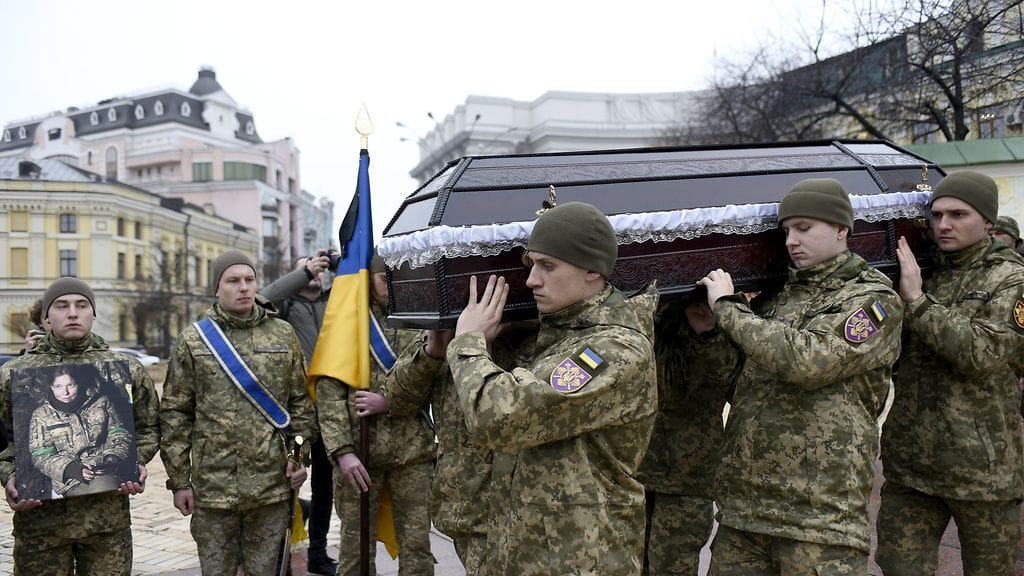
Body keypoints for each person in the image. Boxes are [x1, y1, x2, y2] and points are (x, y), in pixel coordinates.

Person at [696, 178, 903, 574]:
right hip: (745, 509)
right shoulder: (776, 297)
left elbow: (810, 361)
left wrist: (729, 309)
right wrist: (706, 331)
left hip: (819, 517)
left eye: (804, 228)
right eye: (786, 230)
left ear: (842, 229)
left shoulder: (873, 300)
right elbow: (735, 381)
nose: (791, 240)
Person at [447, 201, 659, 575]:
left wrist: (468, 342)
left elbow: (501, 417)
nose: (531, 280)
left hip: (582, 560)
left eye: (548, 266)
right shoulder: (555, 337)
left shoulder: (615, 350)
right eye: (531, 266)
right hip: (528, 556)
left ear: (593, 270)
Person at [876, 170, 1024, 575]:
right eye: (937, 215)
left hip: (982, 472)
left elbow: (984, 354)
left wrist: (917, 301)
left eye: (958, 214)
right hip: (912, 467)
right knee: (897, 566)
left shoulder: (1012, 280)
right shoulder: (922, 271)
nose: (943, 225)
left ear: (988, 221)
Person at [159, 249, 314, 576]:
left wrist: (299, 457)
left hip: (272, 487)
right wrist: (179, 482)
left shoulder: (282, 334)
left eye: (249, 279)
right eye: (233, 281)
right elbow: (175, 416)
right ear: (217, 288)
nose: (244, 287)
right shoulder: (194, 340)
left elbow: (300, 405)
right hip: (213, 491)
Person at [0, 277, 160, 575]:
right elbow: (3, 440)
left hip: (106, 523)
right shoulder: (13, 374)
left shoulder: (123, 369)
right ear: (47, 317)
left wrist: (134, 461)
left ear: (93, 314)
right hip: (41, 526)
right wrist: (8, 475)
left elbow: (149, 426)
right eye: (62, 306)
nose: (72, 313)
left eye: (82, 305)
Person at [370, 320, 537, 575]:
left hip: (526, 513)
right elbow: (396, 399)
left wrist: (477, 343)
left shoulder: (549, 331)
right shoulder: (456, 323)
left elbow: (508, 415)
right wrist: (432, 352)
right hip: (467, 507)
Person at [315, 252, 435, 576]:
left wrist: (391, 402)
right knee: (355, 552)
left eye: (398, 278)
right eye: (385, 278)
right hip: (358, 454)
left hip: (413, 453)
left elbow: (435, 385)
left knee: (417, 549)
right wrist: (342, 452)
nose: (392, 285)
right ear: (369, 278)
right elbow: (329, 395)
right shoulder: (348, 323)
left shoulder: (424, 320)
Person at [638, 298, 738, 576]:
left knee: (671, 568)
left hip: (688, 477)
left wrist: (708, 333)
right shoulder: (642, 314)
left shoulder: (719, 314)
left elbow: (737, 385)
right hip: (634, 469)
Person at [261, 250, 338, 576]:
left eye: (319, 270)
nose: (315, 275)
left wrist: (336, 262)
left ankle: (318, 554)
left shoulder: (335, 300)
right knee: (286, 482)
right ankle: (281, 557)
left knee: (325, 488)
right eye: (308, 271)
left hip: (330, 410)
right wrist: (303, 272)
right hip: (293, 412)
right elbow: (264, 297)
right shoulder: (283, 307)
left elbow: (367, 274)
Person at [29, 364, 132, 497]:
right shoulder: (41, 415)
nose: (65, 392)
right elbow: (40, 455)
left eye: (71, 385)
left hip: (103, 470)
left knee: (105, 491)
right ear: (51, 387)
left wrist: (113, 458)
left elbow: (118, 432)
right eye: (58, 387)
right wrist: (72, 469)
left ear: (79, 384)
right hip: (70, 480)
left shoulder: (101, 403)